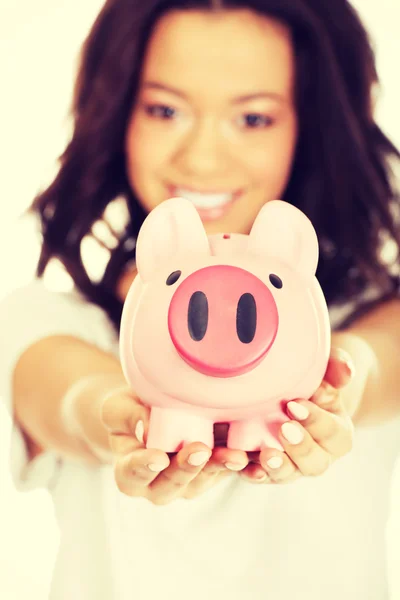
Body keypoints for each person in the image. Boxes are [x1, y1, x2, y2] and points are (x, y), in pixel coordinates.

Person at [1, 0, 400, 599]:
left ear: (309, 126)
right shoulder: (43, 320)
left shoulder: (376, 314)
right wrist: (122, 416)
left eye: (254, 119)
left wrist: (336, 384)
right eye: (165, 109)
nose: (204, 159)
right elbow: (71, 397)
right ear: (118, 116)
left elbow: (373, 364)